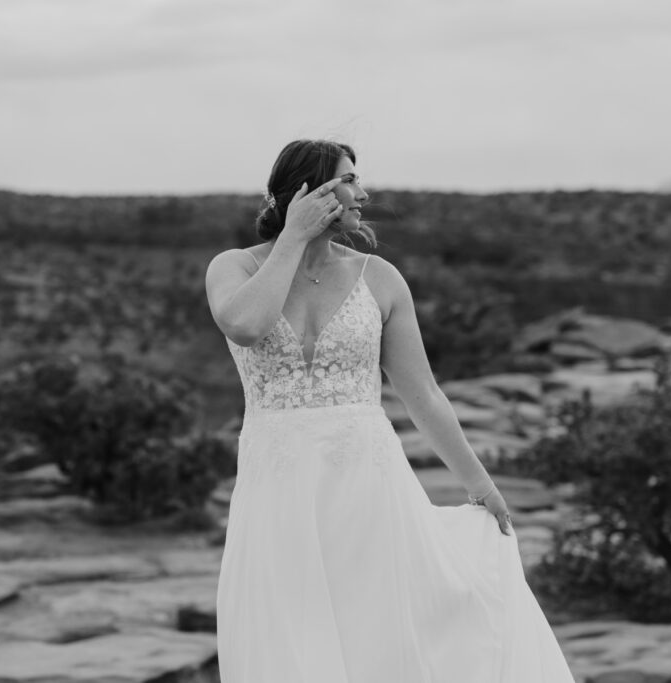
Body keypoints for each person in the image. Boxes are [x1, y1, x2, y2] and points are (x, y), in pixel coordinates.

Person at [203, 139, 575, 682]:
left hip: (369, 488)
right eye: (349, 180)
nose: (363, 193)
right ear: (308, 193)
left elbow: (422, 394)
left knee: (379, 637)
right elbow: (246, 325)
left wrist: (481, 484)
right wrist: (293, 237)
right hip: (275, 490)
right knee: (288, 640)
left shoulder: (380, 278)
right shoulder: (232, 267)